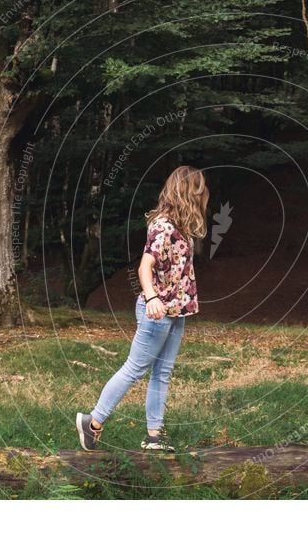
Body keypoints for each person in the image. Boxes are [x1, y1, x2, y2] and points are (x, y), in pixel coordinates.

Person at [77, 165, 209, 451]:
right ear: (188, 191)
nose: (203, 193)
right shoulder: (164, 225)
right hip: (158, 312)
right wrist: (151, 299)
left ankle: (154, 436)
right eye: (199, 188)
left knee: (162, 373)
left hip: (177, 311)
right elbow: (145, 266)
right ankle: (93, 422)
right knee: (134, 369)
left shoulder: (181, 227)